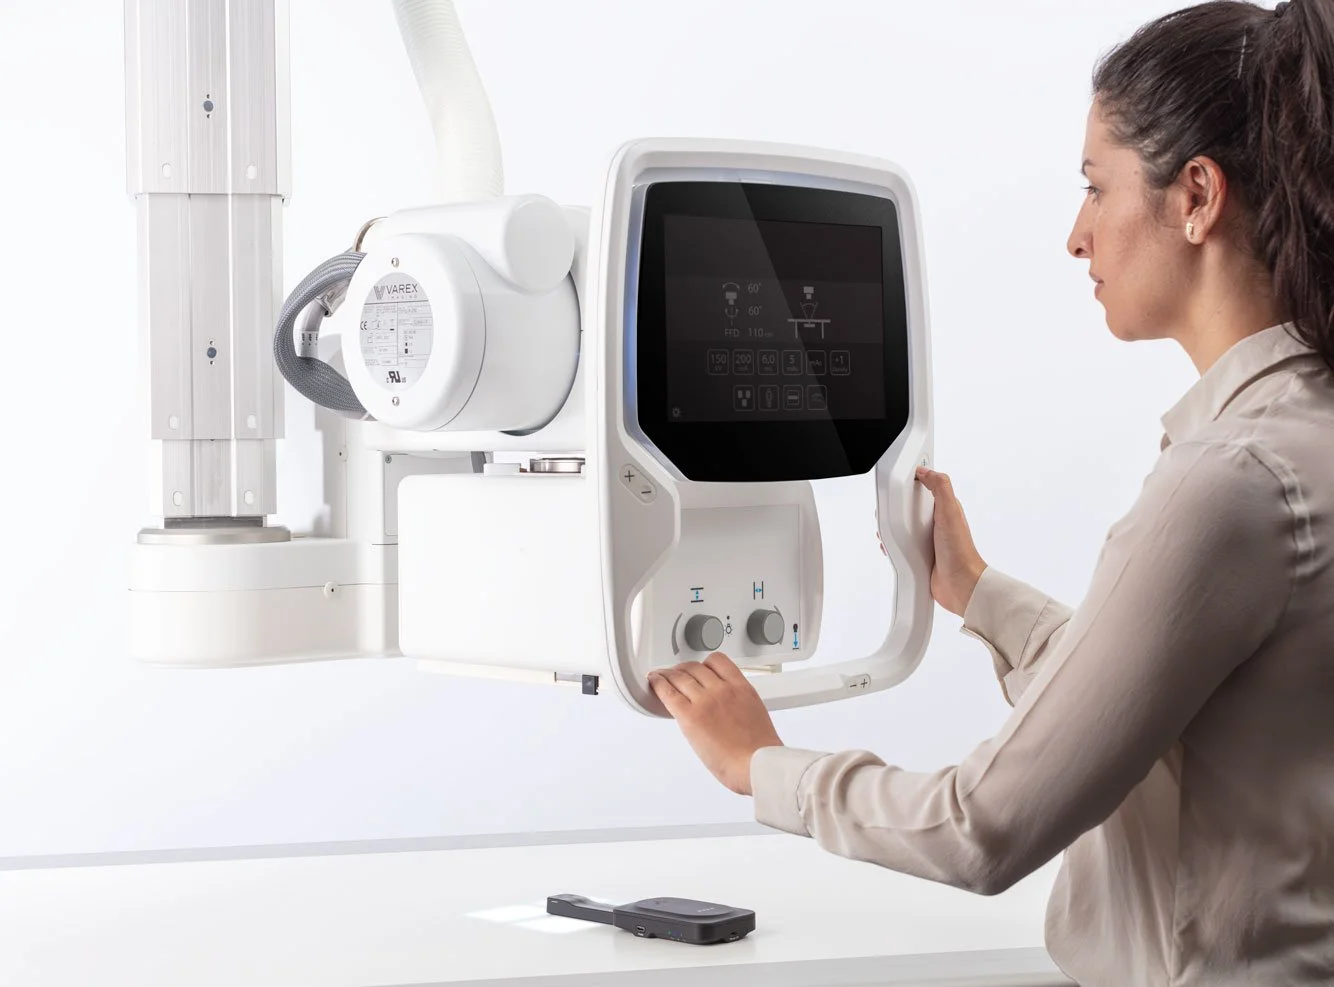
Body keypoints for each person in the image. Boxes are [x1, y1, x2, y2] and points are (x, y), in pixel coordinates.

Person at [646, 2, 1334, 984]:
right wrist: (974, 589)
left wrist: (758, 766)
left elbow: (982, 826)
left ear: (1194, 196)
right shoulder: (1299, 440)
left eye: (1094, 189)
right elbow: (1152, 712)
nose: (1074, 235)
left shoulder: (1228, 482)